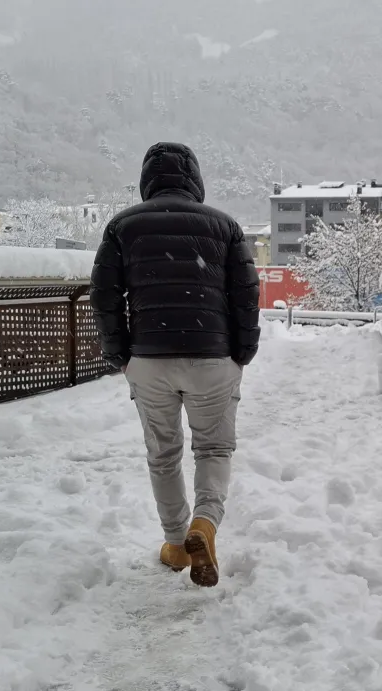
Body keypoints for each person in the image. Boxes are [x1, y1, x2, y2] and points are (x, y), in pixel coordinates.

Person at [90, 142, 260, 587]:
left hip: (149, 360)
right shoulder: (225, 227)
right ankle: (204, 523)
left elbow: (104, 297)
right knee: (214, 449)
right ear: (195, 181)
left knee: (163, 454)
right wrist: (242, 351)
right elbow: (246, 296)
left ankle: (176, 542)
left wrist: (121, 355)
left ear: (147, 181)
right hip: (212, 357)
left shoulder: (122, 227)